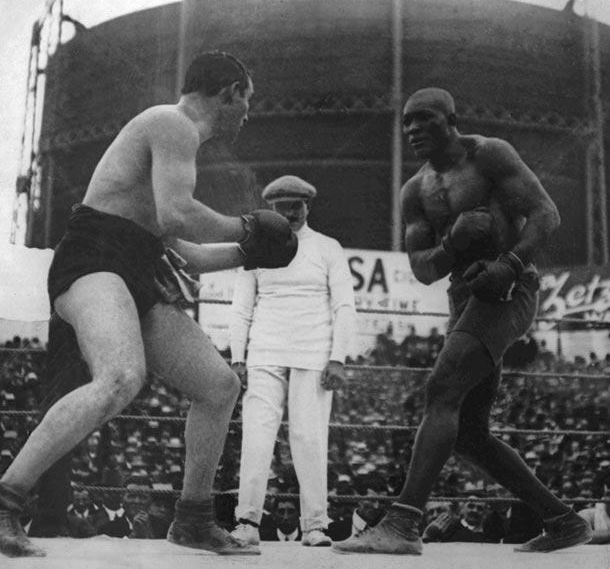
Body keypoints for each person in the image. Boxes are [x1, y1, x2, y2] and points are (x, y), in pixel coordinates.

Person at [0, 51, 298, 558]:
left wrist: (251, 252)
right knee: (120, 376)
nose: (248, 112)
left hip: (134, 268)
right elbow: (178, 215)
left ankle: (194, 520)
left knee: (218, 385)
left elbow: (191, 254)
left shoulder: (177, 148)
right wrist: (248, 228)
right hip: (93, 261)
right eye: (247, 99)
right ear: (228, 92)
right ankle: (6, 500)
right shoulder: (172, 123)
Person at [333, 87, 591, 554]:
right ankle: (563, 521)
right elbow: (423, 270)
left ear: (451, 120)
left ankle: (404, 522)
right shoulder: (415, 189)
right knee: (470, 435)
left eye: (423, 119)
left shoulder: (489, 155)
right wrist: (452, 242)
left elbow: (546, 214)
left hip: (510, 288)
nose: (411, 129)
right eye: (406, 122)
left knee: (442, 388)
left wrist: (509, 264)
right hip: (464, 297)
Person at [229, 175, 356, 547]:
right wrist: (238, 358)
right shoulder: (255, 250)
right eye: (281, 207)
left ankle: (315, 525)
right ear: (270, 209)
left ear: (307, 207)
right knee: (257, 435)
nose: (289, 213)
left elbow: (344, 305)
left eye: (295, 206)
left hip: (314, 351)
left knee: (309, 437)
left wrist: (338, 358)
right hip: (265, 348)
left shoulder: (328, 248)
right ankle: (247, 523)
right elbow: (241, 308)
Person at [98, 476, 169, 539]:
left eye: (143, 497)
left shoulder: (163, 527)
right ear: (122, 498)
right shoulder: (107, 529)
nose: (137, 501)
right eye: (131, 496)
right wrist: (134, 535)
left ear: (151, 500)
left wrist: (149, 534)